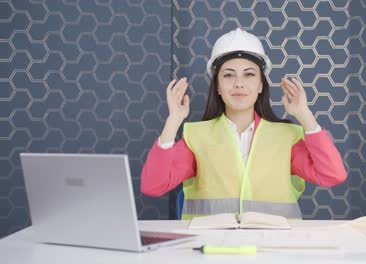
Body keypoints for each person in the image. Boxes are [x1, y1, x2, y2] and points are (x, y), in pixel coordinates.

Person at [141, 28, 347, 220]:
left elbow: (332, 175)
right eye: (228, 75)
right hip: (213, 251)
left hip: (276, 251)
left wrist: (305, 116)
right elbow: (153, 186)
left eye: (249, 74)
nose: (239, 83)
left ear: (260, 85)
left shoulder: (287, 137)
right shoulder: (197, 136)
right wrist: (173, 122)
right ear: (218, 87)